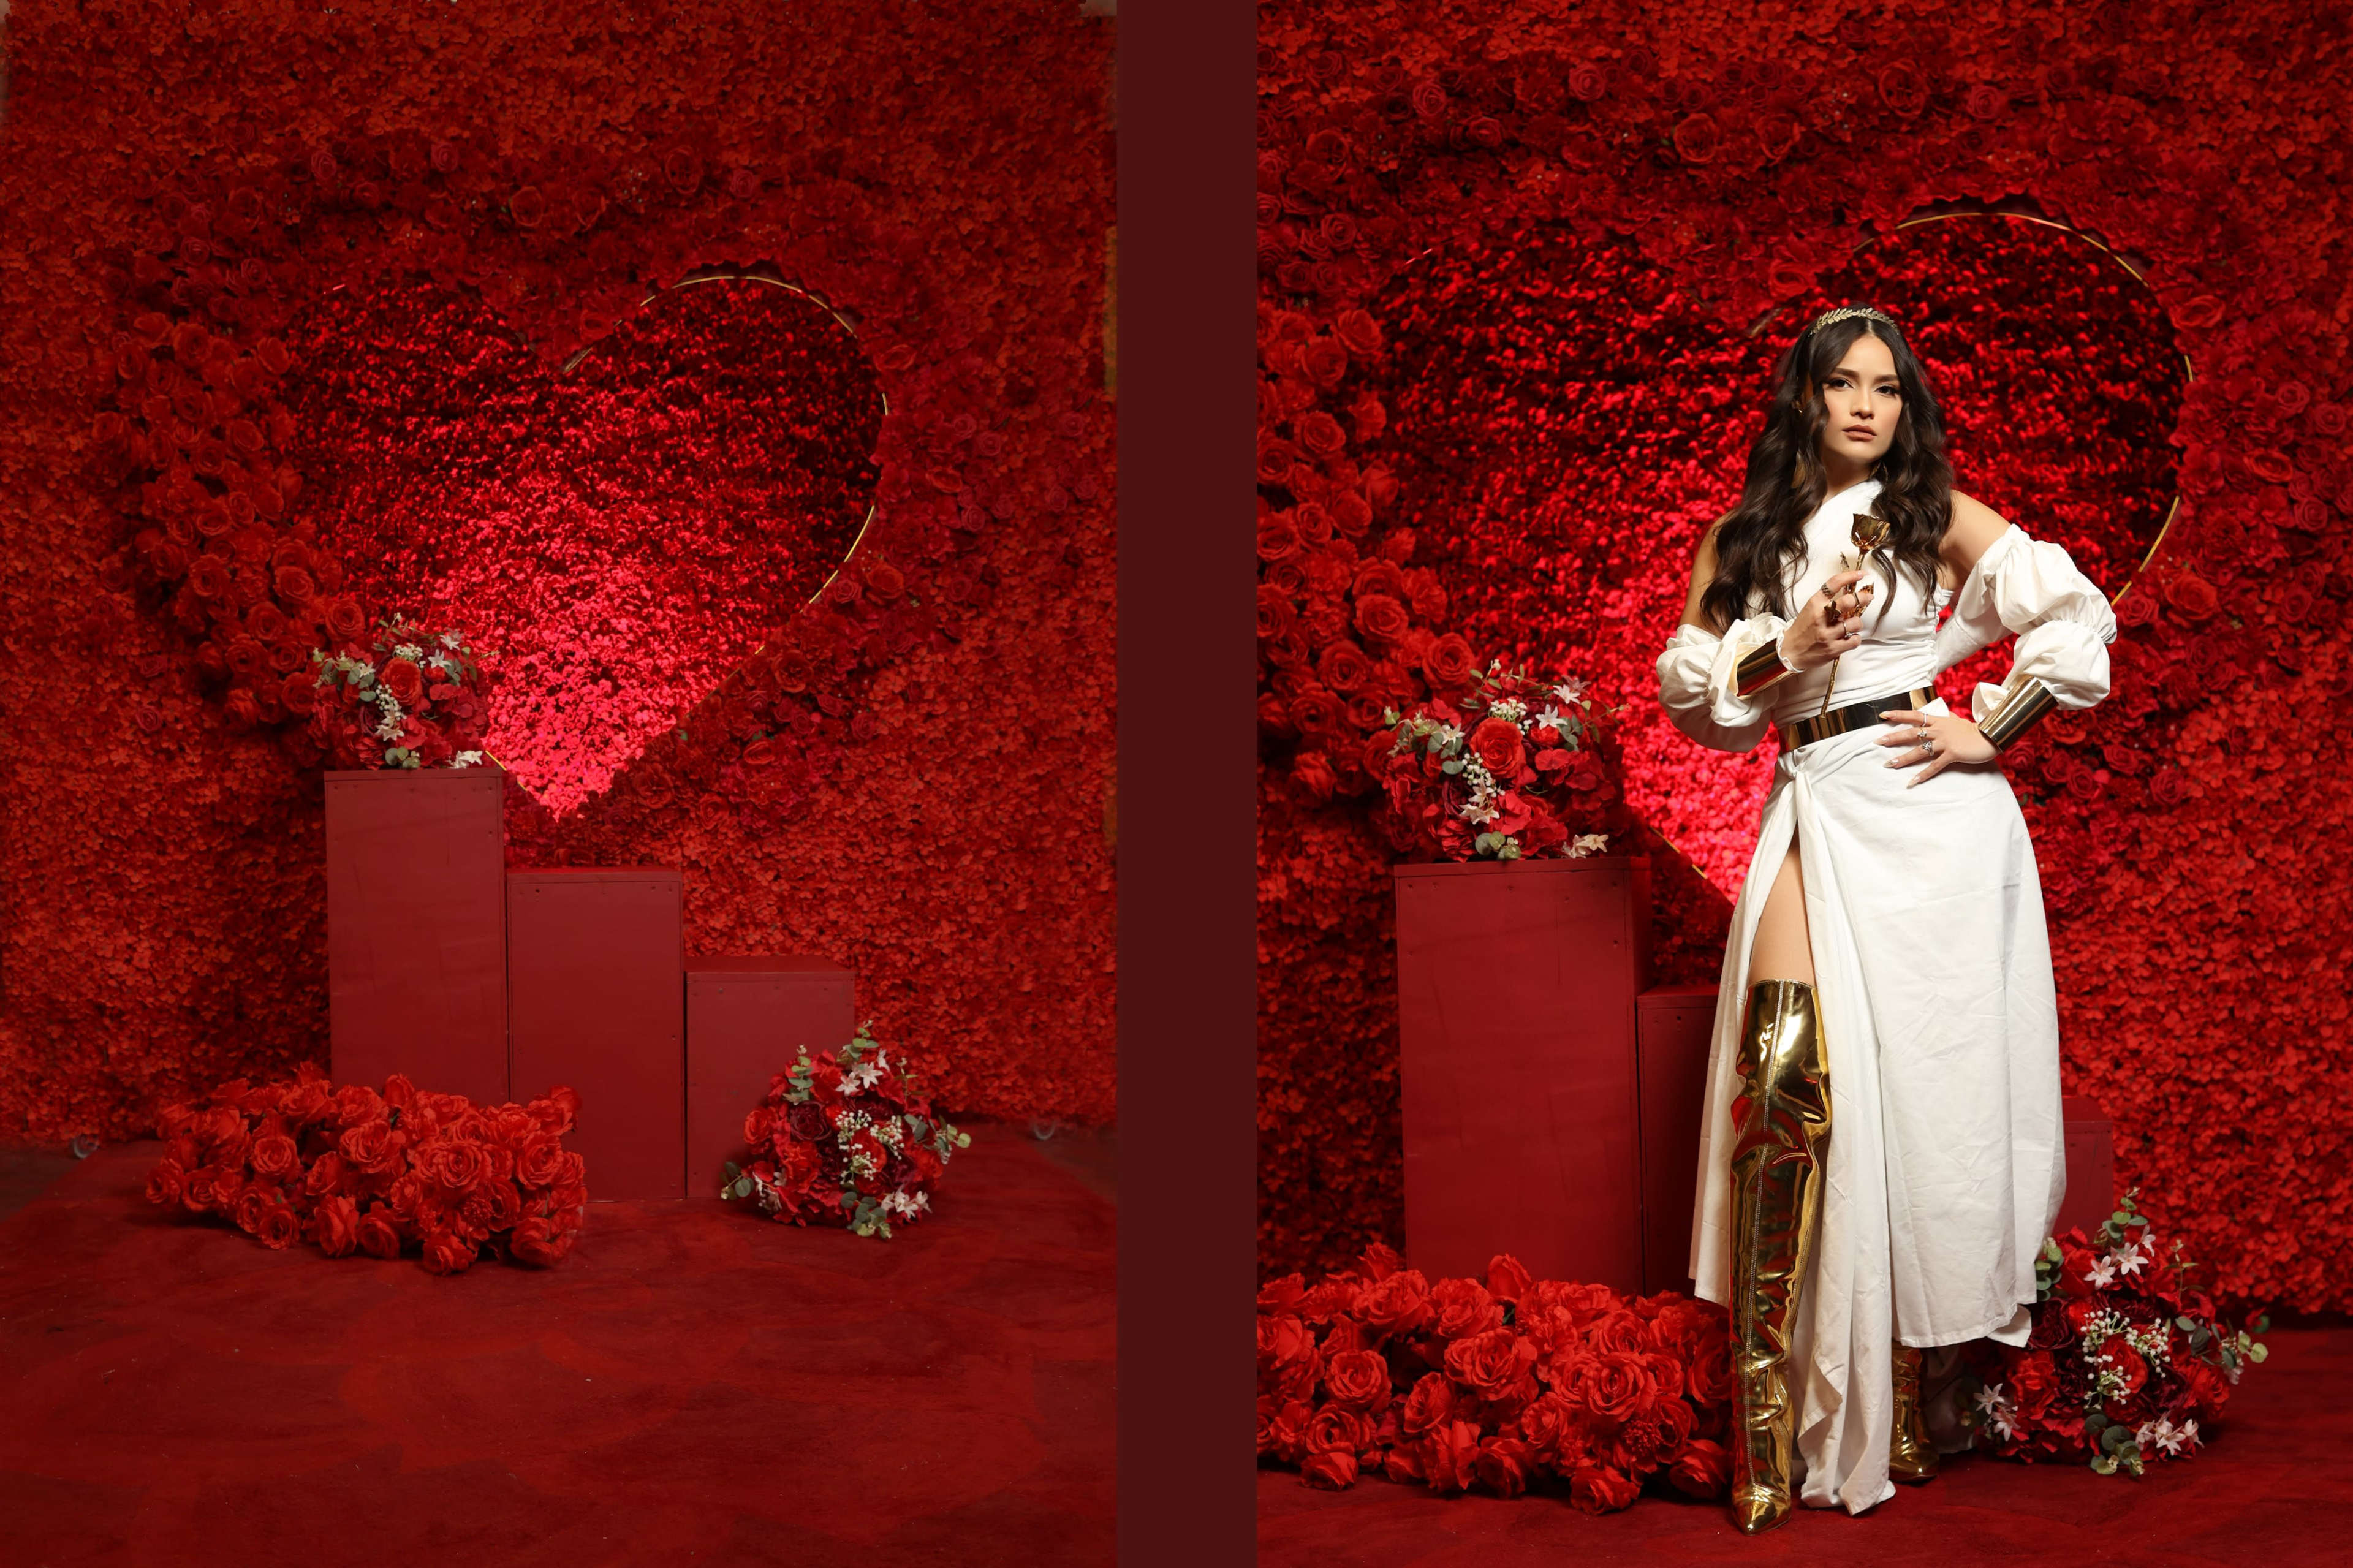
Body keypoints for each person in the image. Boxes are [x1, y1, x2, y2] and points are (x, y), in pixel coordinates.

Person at [1653, 302, 2118, 1532]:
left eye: (1888, 387)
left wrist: (1992, 725)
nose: (1866, 404)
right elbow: (1696, 702)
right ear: (1802, 396)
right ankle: (1766, 1429)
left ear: (1905, 406)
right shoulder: (1743, 536)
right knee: (1784, 1082)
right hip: (1819, 800)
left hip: (1938, 823)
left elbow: (2076, 616)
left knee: (1922, 1104)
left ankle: (1906, 1397)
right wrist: (1786, 645)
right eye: (1842, 382)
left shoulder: (1935, 517)